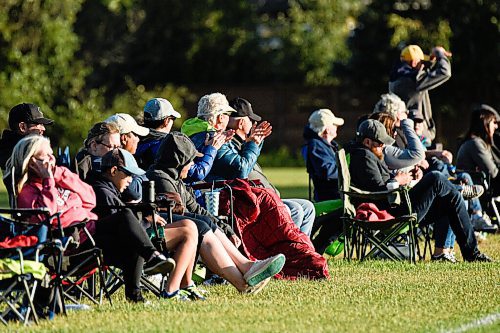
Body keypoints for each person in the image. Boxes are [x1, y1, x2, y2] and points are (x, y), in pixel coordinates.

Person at [4, 135, 174, 303]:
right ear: (31, 162)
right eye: (45, 156)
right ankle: (152, 258)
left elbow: (89, 199)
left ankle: (136, 292)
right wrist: (48, 180)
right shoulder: (28, 192)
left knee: (131, 234)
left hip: (89, 231)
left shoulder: (58, 181)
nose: (51, 159)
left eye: (51, 154)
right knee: (125, 218)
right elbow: (49, 217)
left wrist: (61, 174)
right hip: (68, 244)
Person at [146, 132, 286, 292]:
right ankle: (244, 277)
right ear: (179, 161)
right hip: (160, 233)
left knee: (202, 223)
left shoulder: (176, 181)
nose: (192, 164)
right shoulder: (160, 179)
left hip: (177, 229)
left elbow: (198, 210)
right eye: (190, 160)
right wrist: (211, 224)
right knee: (201, 226)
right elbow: (178, 214)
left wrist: (226, 229)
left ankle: (247, 270)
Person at [347, 119, 492, 262]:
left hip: (398, 205)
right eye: (380, 143)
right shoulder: (364, 157)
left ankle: (471, 254)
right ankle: (458, 189)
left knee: (450, 199)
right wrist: (397, 180)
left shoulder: (368, 155)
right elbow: (378, 192)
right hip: (391, 212)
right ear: (367, 142)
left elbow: (381, 186)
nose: (384, 146)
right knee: (436, 178)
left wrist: (408, 179)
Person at [89, 148, 204, 301]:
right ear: (114, 170)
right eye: (128, 174)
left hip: (137, 237)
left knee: (189, 225)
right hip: (130, 244)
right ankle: (172, 290)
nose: (131, 179)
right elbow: (119, 226)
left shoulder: (111, 190)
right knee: (189, 231)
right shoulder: (103, 192)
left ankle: (183, 285)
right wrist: (145, 218)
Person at [389, 45, 452, 143]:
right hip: (418, 133)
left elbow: (421, 73)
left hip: (405, 132)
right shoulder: (415, 80)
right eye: (421, 62)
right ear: (414, 62)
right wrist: (440, 55)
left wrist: (430, 61)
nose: (422, 64)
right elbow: (445, 72)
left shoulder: (397, 76)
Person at [302, 108, 344, 201]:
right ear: (327, 129)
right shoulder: (316, 145)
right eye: (334, 125)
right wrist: (347, 169)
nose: (337, 127)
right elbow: (326, 171)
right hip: (330, 198)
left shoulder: (327, 145)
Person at [0, 103, 54, 173]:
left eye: (42, 124)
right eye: (38, 124)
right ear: (22, 127)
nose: (43, 129)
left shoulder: (8, 149)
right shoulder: (15, 157)